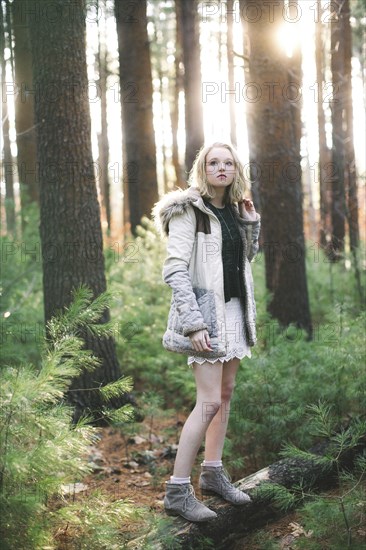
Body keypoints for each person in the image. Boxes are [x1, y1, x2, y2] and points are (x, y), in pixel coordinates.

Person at [151, 142, 261, 522]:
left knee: (226, 395)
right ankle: (178, 491)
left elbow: (243, 260)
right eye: (214, 162)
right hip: (205, 315)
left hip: (234, 312)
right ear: (203, 168)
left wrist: (251, 223)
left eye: (228, 162)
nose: (221, 168)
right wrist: (194, 323)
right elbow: (174, 270)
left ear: (235, 170)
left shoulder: (232, 210)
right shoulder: (189, 212)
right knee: (209, 401)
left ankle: (213, 473)